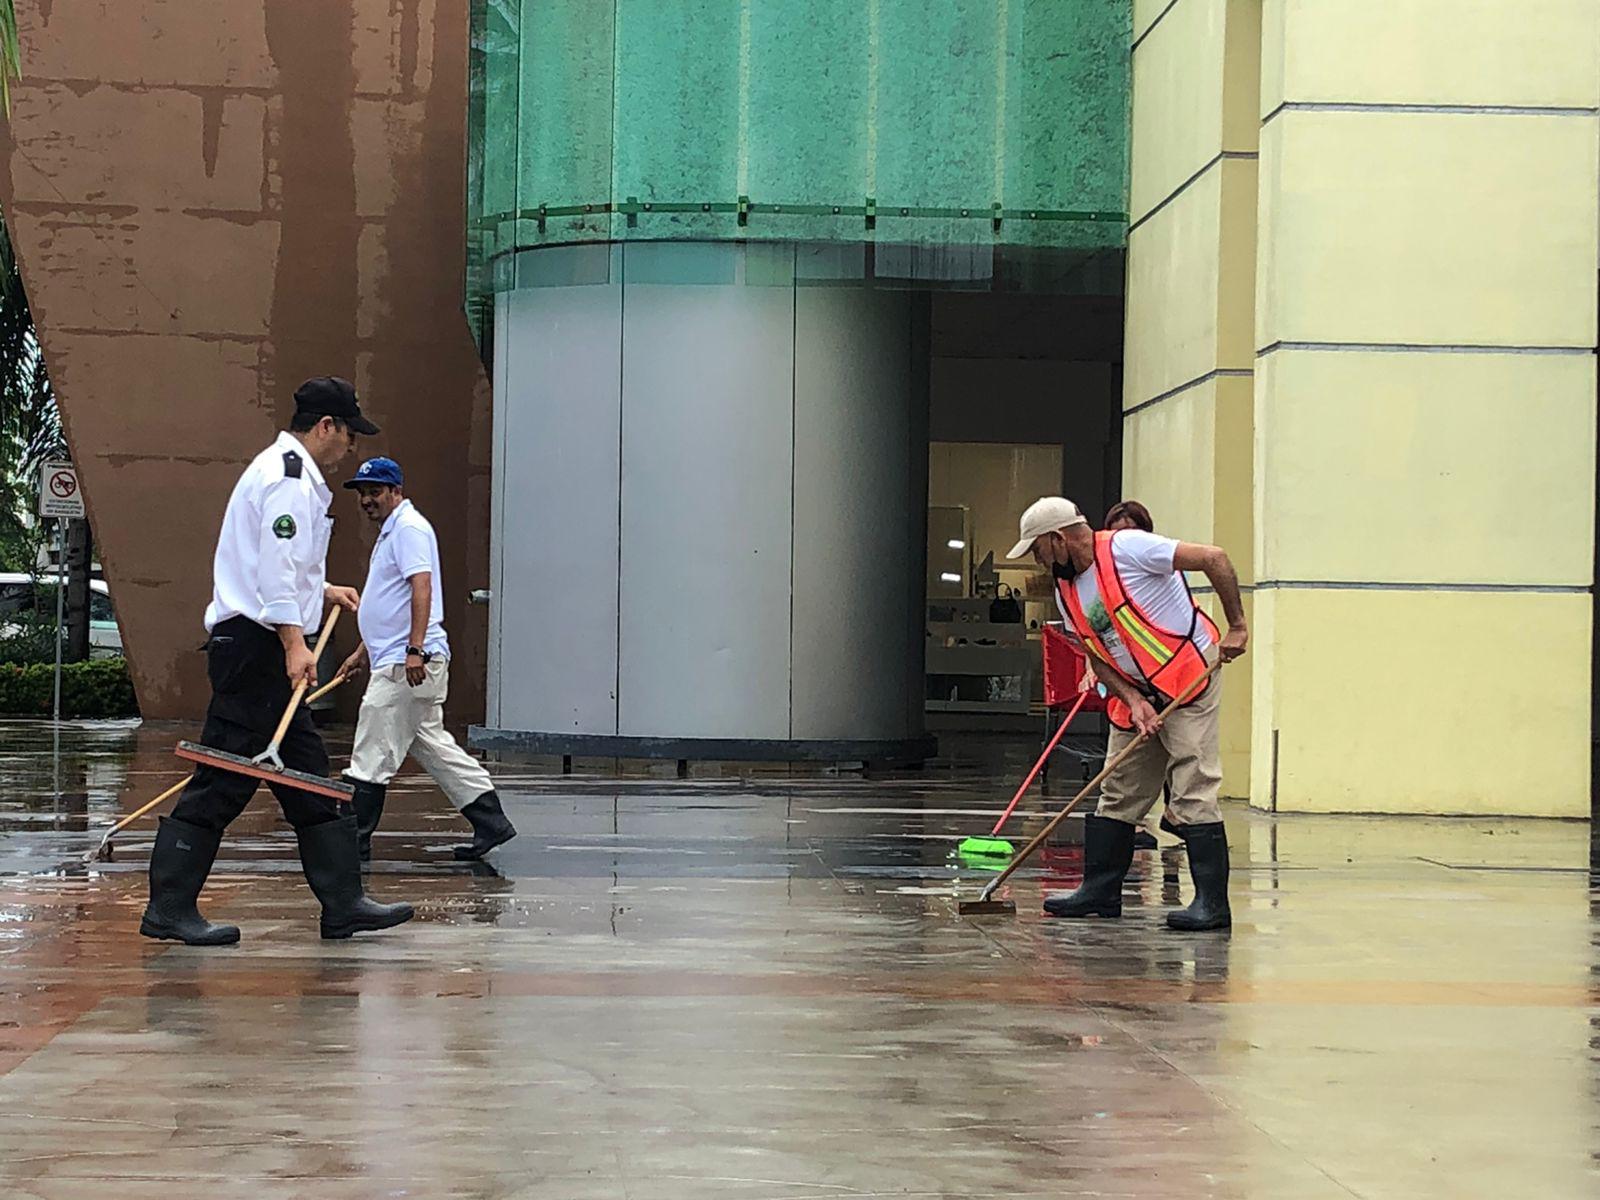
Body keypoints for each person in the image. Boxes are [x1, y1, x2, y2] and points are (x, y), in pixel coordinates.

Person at [140, 377, 415, 946]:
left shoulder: (285, 473)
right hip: (256, 650)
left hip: (258, 643)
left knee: (310, 778)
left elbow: (285, 570)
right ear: (325, 427)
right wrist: (295, 643)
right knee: (224, 777)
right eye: (347, 435)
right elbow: (272, 572)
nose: (350, 448)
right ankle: (169, 908)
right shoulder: (289, 480)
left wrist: (324, 593)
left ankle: (343, 903)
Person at [1007, 496, 1247, 931]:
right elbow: (1095, 656)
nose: (1039, 563)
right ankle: (1100, 891)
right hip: (1134, 693)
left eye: (1038, 551)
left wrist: (1237, 626)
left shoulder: (1128, 549)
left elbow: (1214, 557)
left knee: (1193, 786)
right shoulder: (1067, 589)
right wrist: (1134, 702)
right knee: (1118, 788)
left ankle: (1212, 904)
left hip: (1187, 680)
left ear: (1058, 539)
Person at [337, 457, 516, 862]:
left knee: (371, 750)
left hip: (408, 664)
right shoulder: (392, 531)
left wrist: (414, 649)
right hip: (401, 658)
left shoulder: (409, 529)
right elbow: (393, 602)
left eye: (375, 491)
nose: (367, 499)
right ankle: (491, 821)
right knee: (433, 745)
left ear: (396, 491)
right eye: (362, 493)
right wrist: (362, 651)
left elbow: (422, 588)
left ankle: (352, 841)